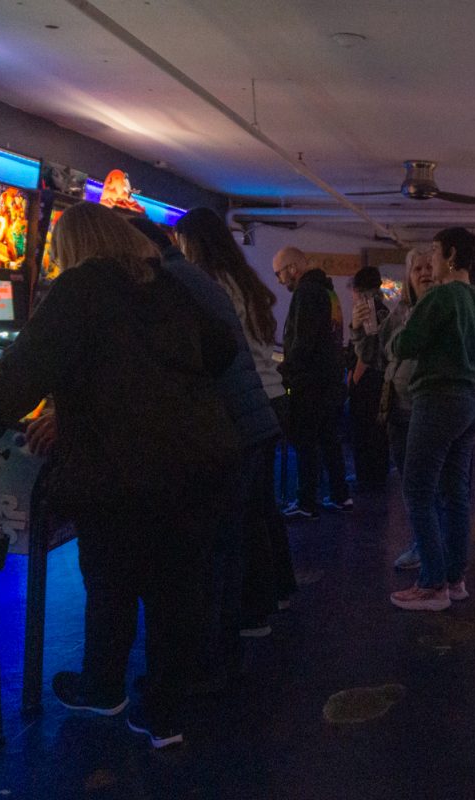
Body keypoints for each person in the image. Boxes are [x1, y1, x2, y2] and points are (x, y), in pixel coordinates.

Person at [0, 202, 239, 749]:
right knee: (176, 592)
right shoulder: (164, 286)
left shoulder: (81, 288)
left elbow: (20, 376)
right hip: (198, 459)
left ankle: (103, 688)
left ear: (73, 248)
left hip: (121, 468)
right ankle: (164, 716)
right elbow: (222, 348)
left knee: (110, 580)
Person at [130, 213, 280, 689]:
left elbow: (203, 354)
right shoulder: (222, 279)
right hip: (260, 404)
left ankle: (201, 666)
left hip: (230, 420)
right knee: (246, 526)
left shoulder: (179, 283)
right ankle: (243, 626)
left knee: (213, 549)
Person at [172, 208, 296, 636]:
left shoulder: (211, 285)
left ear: (195, 243)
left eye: (183, 243)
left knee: (245, 515)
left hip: (245, 400)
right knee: (261, 507)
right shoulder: (243, 280)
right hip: (270, 397)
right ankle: (278, 591)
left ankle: (254, 609)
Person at [389, 227, 475, 611]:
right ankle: (455, 579)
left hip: (437, 399)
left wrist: (398, 333)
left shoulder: (440, 297)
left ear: (451, 255)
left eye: (436, 251)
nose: (432, 260)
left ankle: (432, 584)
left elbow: (405, 344)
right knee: (456, 494)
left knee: (418, 490)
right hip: (470, 402)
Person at [355, 246, 435, 570]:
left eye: (429, 267)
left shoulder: (444, 307)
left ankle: (433, 552)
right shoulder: (400, 311)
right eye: (418, 269)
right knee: (410, 483)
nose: (425, 273)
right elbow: (374, 355)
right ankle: (423, 544)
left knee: (432, 484)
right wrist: (358, 329)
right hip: (399, 408)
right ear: (408, 276)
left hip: (431, 408)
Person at [272, 246, 352, 519]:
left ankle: (306, 502)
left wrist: (284, 371)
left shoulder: (306, 293)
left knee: (306, 442)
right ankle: (340, 495)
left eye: (279, 273)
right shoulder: (328, 292)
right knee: (329, 440)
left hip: (310, 383)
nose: (280, 280)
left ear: (292, 268)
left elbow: (303, 342)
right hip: (331, 381)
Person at [347, 266, 392, 489]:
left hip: (367, 379)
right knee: (378, 430)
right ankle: (379, 473)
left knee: (363, 430)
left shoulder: (367, 310)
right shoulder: (384, 309)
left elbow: (367, 351)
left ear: (358, 289)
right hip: (382, 378)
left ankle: (366, 476)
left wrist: (354, 379)